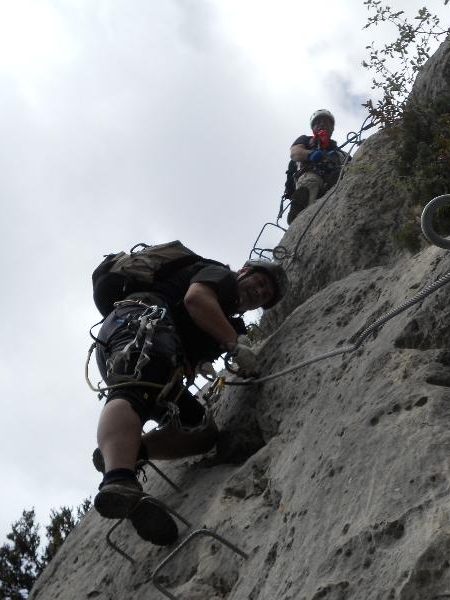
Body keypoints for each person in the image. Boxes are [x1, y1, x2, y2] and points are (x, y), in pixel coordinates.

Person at [91, 257, 288, 545]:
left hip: (160, 355)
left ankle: (131, 452)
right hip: (139, 322)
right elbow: (196, 299)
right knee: (138, 390)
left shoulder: (230, 320)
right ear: (243, 271)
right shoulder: (220, 276)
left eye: (265, 295)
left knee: (202, 433)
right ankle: (119, 480)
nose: (259, 293)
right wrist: (234, 343)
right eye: (259, 283)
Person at [287, 109, 347, 224]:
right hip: (309, 176)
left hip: (332, 181)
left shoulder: (339, 153)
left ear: (332, 127)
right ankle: (301, 220)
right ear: (312, 128)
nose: (321, 124)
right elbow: (295, 152)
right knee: (312, 182)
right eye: (317, 122)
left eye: (325, 122)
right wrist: (310, 154)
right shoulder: (306, 141)